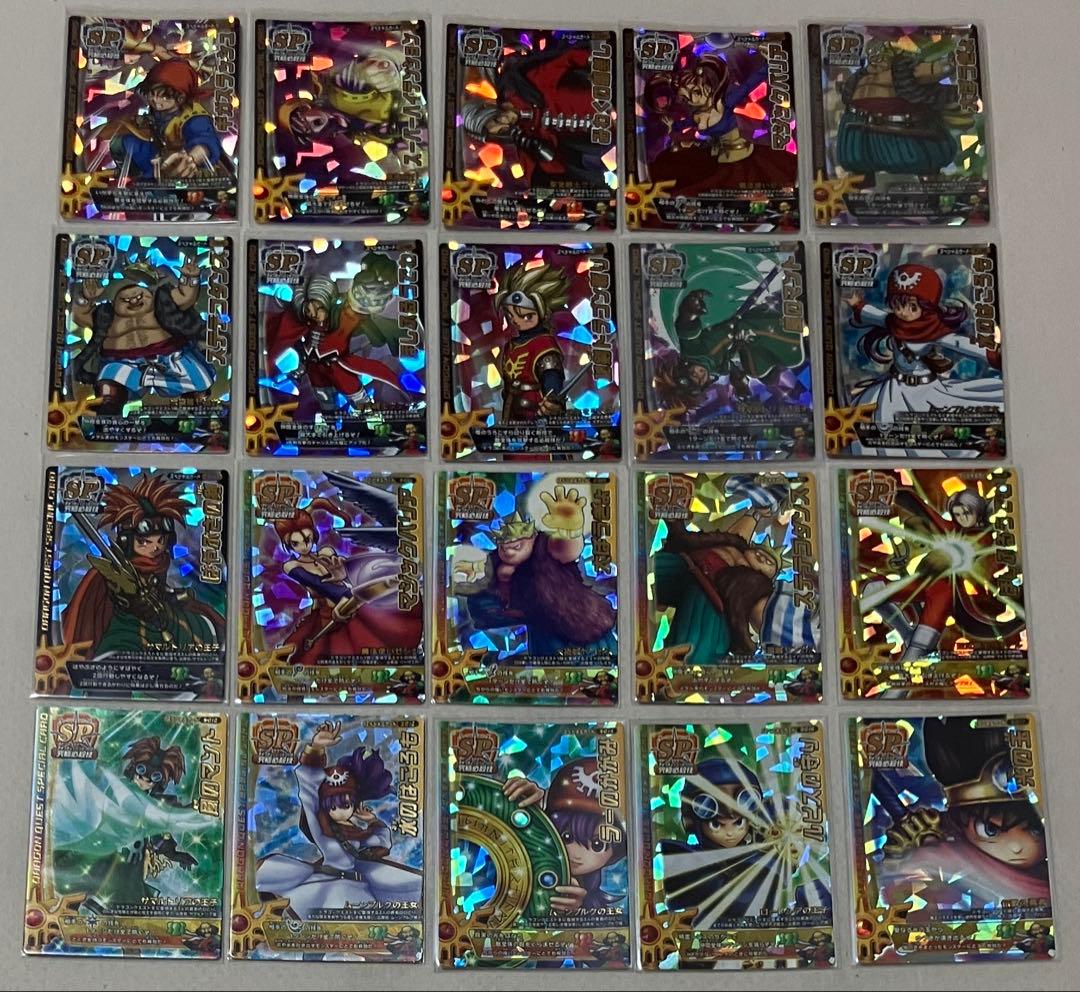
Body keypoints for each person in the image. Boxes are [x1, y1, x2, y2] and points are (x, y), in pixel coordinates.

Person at [255, 721, 421, 918]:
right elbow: (309, 794)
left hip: (356, 887)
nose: (340, 811)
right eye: (333, 807)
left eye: (346, 804)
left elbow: (382, 842)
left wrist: (372, 821)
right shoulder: (323, 830)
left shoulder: (358, 834)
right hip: (328, 886)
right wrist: (315, 749)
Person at [844, 263, 1002, 456]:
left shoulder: (934, 331)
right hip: (893, 388)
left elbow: (961, 344)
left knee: (934, 439)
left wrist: (993, 355)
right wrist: (857, 304)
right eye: (897, 305)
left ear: (926, 306)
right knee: (878, 432)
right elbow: (873, 315)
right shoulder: (893, 322)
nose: (903, 312)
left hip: (926, 390)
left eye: (912, 306)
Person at [62, 475, 224, 656]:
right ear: (127, 540)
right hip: (125, 624)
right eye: (145, 541)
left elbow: (161, 590)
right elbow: (107, 601)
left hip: (162, 617)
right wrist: (130, 601)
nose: (156, 547)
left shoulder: (160, 562)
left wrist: (172, 597)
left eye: (161, 540)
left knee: (201, 626)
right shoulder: (112, 571)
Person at [452, 487, 616, 658]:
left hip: (583, 623)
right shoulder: (497, 566)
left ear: (531, 539)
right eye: (504, 547)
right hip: (545, 635)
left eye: (516, 546)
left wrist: (569, 529)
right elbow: (484, 609)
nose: (508, 552)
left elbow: (565, 549)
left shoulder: (544, 549)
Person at [70, 259, 214, 414]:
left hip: (172, 358)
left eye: (139, 296)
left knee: (199, 384)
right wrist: (85, 297)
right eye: (125, 300)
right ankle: (108, 414)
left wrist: (190, 277)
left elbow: (185, 297)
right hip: (123, 363)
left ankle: (197, 416)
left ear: (150, 292)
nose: (133, 301)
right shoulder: (105, 315)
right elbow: (80, 316)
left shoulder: (163, 301)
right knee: (109, 389)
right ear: (114, 301)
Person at [502, 756, 626, 912]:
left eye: (597, 845)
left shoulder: (590, 900)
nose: (576, 855)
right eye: (567, 837)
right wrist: (525, 810)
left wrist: (574, 912)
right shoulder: (532, 853)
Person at [107, 60, 224, 179]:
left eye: (164, 96)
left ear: (181, 97)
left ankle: (149, 178)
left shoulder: (194, 117)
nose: (156, 100)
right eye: (152, 94)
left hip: (181, 165)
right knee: (119, 143)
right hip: (160, 153)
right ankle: (132, 174)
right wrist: (144, 121)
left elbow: (205, 141)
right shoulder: (160, 109)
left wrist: (191, 159)